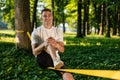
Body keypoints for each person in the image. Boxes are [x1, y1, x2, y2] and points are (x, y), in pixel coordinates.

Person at [31, 8, 74, 80]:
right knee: (48, 42)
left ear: (52, 17)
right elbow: (34, 52)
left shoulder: (58, 31)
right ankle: (55, 60)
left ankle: (56, 61)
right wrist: (44, 44)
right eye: (45, 16)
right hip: (42, 58)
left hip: (56, 59)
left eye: (49, 15)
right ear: (41, 18)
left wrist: (56, 44)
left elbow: (62, 49)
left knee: (68, 76)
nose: (47, 18)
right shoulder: (36, 32)